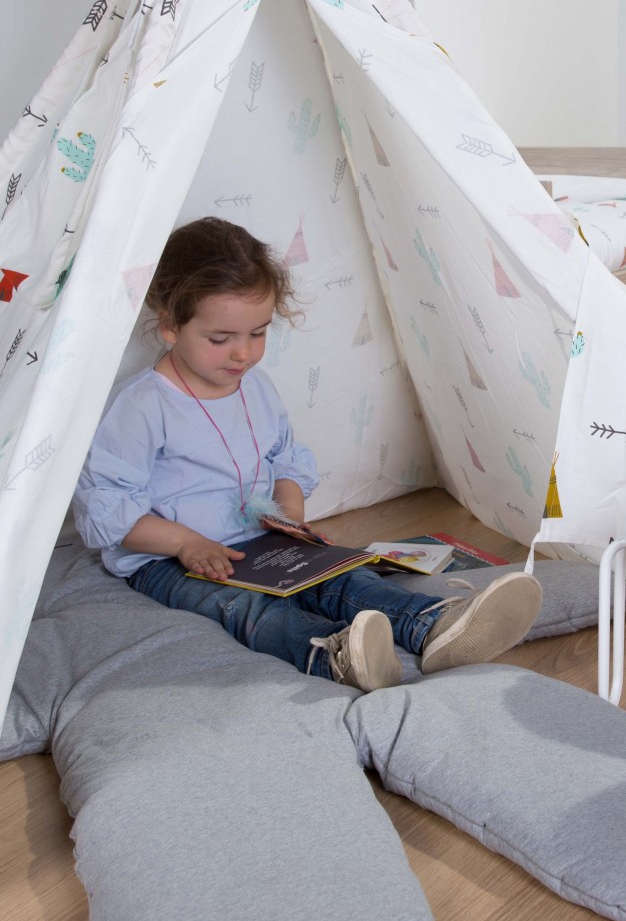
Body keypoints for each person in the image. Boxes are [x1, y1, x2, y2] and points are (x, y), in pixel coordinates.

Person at [73, 218, 541, 692]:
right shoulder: (141, 406)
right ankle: (334, 655)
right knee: (244, 608)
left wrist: (289, 515)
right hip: (168, 560)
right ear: (170, 326)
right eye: (220, 339)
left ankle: (435, 625)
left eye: (258, 333)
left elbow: (283, 457)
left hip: (257, 541)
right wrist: (184, 543)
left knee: (343, 580)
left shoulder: (254, 387)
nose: (242, 354)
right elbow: (107, 506)